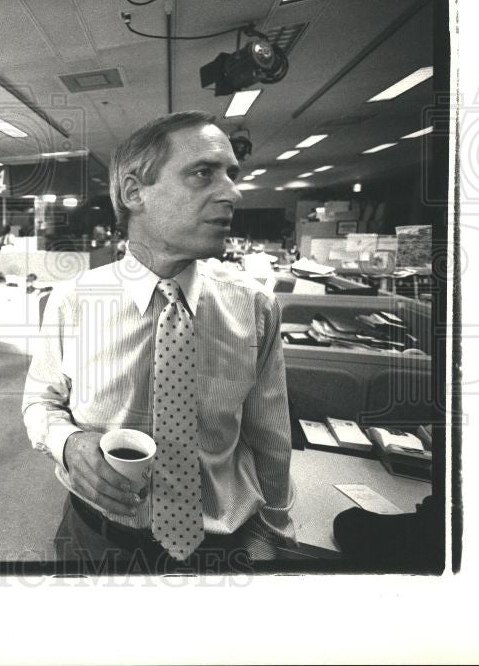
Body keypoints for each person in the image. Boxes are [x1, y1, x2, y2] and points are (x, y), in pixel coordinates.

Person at [22, 110, 295, 572]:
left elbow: (270, 437)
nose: (233, 192)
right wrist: (68, 443)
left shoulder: (254, 307)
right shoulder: (74, 300)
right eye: (203, 173)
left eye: (232, 174)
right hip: (95, 540)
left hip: (221, 549)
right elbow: (40, 400)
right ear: (134, 193)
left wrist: (275, 533)